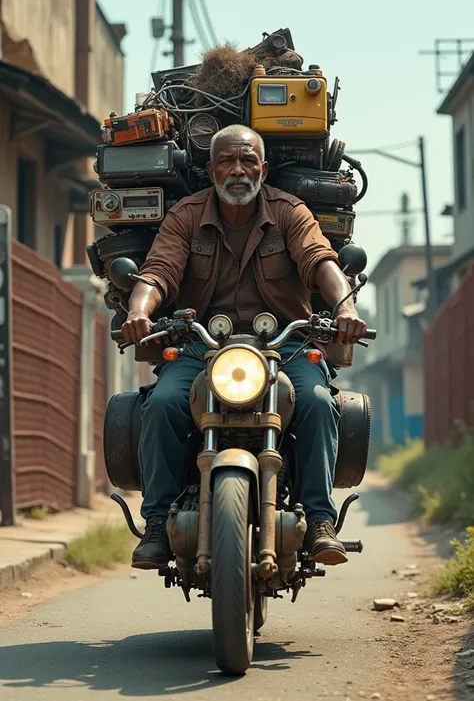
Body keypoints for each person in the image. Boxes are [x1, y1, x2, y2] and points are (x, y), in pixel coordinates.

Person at [122, 124, 367, 571]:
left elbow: (320, 260)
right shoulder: (186, 216)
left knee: (315, 401)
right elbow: (158, 272)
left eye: (248, 161)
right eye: (228, 162)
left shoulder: (290, 212)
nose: (238, 170)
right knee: (160, 405)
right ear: (212, 169)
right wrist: (139, 310)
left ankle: (318, 521)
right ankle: (157, 523)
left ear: (263, 168)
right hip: (202, 347)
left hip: (285, 345)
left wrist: (344, 306)